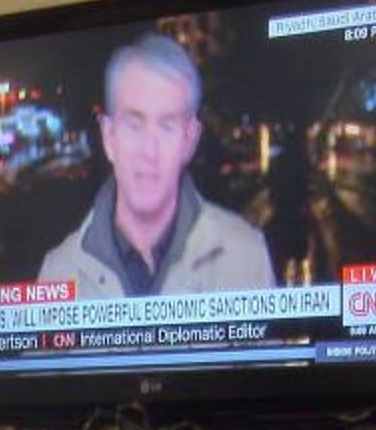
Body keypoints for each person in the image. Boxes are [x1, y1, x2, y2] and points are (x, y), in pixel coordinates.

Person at [37, 31, 272, 298]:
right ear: (109, 137)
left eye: (167, 126)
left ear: (189, 140)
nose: (149, 151)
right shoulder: (58, 273)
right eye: (134, 125)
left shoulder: (246, 257)